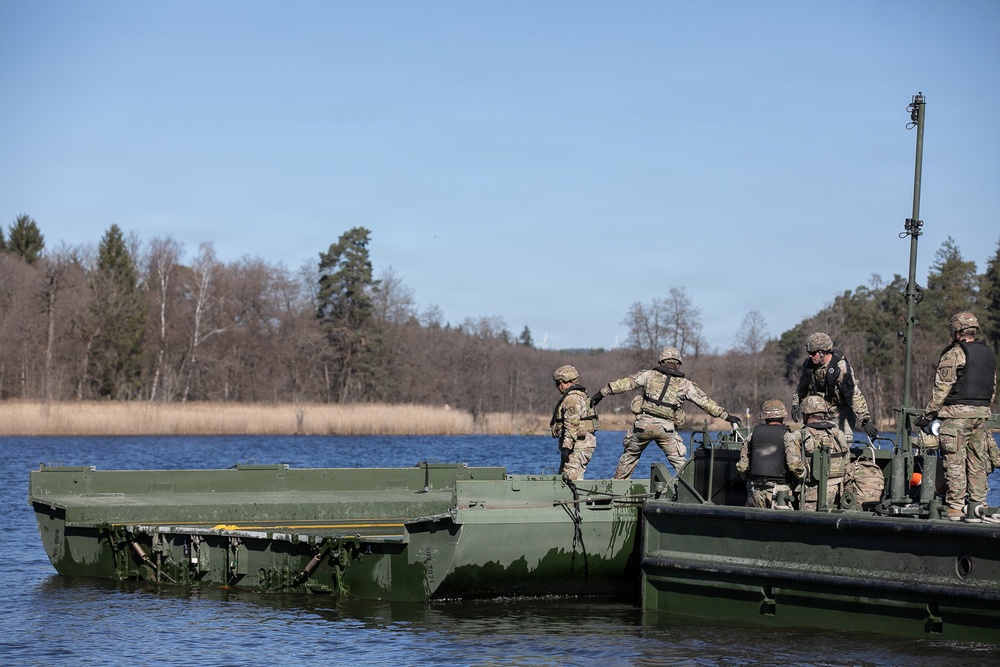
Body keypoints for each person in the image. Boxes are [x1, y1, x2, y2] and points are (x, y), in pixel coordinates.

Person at [590, 346, 740, 479]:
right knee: (680, 462)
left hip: (643, 426)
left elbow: (624, 384)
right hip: (666, 429)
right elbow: (705, 403)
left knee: (629, 456)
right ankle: (693, 489)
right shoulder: (685, 384)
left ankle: (618, 486)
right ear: (678, 364)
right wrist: (727, 416)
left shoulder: (648, 375)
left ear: (661, 361)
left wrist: (601, 393)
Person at [914, 311, 997, 522]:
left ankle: (956, 507)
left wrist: (928, 416)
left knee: (955, 462)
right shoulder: (988, 353)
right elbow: (992, 388)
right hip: (981, 415)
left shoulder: (955, 353)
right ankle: (977, 505)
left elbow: (941, 390)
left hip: (957, 417)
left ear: (957, 331)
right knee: (978, 461)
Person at [791, 331, 878, 442]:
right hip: (818, 414)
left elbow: (853, 395)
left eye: (813, 353)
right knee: (805, 443)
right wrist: (796, 404)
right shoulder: (809, 366)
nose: (810, 356)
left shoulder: (840, 369)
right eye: (809, 352)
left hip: (841, 414)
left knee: (840, 445)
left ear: (823, 351)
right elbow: (802, 387)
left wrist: (865, 420)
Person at [785, 395, 850, 511]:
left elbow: (794, 465)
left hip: (812, 494)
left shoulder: (799, 435)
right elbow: (846, 461)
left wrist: (804, 476)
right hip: (838, 492)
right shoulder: (839, 434)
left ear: (806, 413)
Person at [737, 399, 794, 509]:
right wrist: (801, 475)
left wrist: (748, 477)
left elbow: (742, 465)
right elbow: (794, 465)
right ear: (782, 416)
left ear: (764, 417)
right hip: (779, 492)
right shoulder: (788, 436)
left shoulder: (752, 436)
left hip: (755, 490)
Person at [549, 364, 599, 481]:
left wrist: (566, 448)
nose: (557, 387)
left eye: (558, 383)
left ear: (566, 382)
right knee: (564, 478)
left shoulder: (572, 399)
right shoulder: (581, 395)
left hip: (578, 446)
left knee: (569, 481)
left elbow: (572, 425)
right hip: (581, 445)